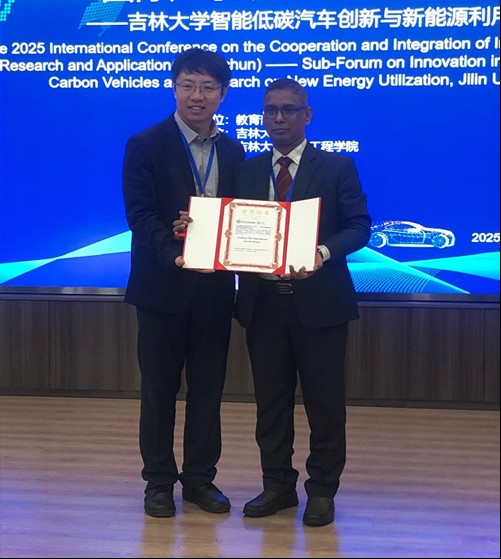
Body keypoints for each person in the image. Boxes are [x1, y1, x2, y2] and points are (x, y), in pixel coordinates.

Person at [233, 78, 371, 526]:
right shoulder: (247, 171)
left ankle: (322, 490)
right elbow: (231, 228)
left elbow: (359, 227)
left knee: (324, 405)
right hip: (263, 305)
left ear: (307, 115)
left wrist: (322, 253)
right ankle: (278, 486)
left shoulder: (336, 167)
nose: (279, 118)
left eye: (289, 110)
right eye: (270, 110)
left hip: (321, 305)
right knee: (270, 403)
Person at [122, 47, 245, 518]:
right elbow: (140, 216)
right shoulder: (145, 144)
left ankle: (199, 480)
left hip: (214, 289)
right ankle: (157, 483)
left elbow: (240, 219)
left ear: (222, 94)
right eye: (188, 85)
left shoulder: (232, 150)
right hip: (162, 287)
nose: (197, 95)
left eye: (208, 87)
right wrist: (173, 253)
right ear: (174, 88)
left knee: (208, 390)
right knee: (158, 391)